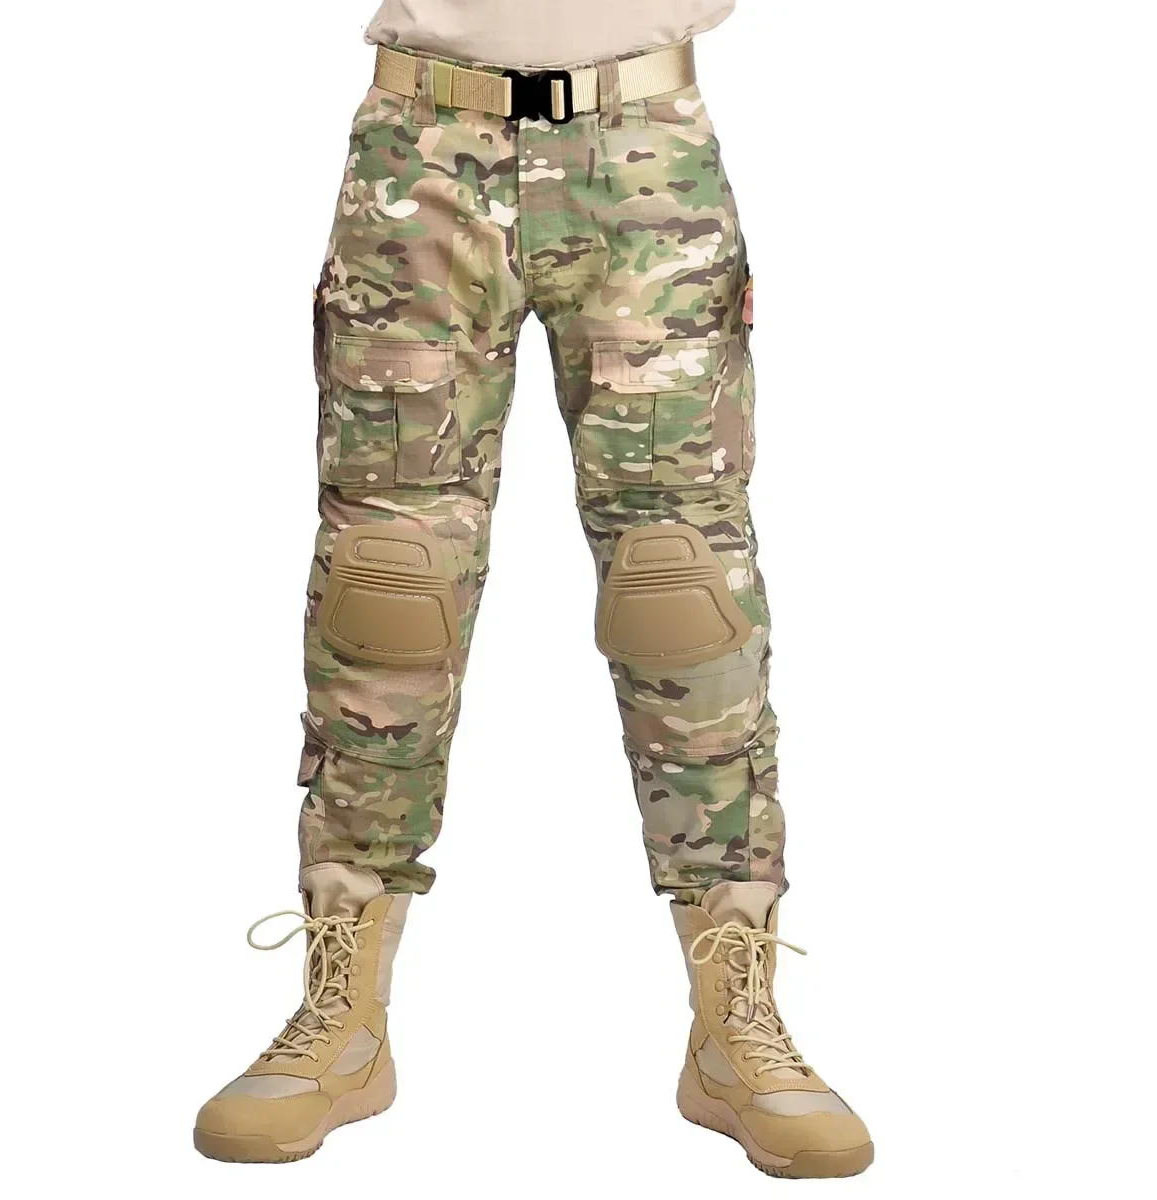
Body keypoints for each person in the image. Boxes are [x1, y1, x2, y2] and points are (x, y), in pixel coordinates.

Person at [193, 1, 873, 1177]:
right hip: (422, 147)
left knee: (682, 586)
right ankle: (343, 1009)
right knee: (389, 583)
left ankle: (736, 1017)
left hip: (644, 146)